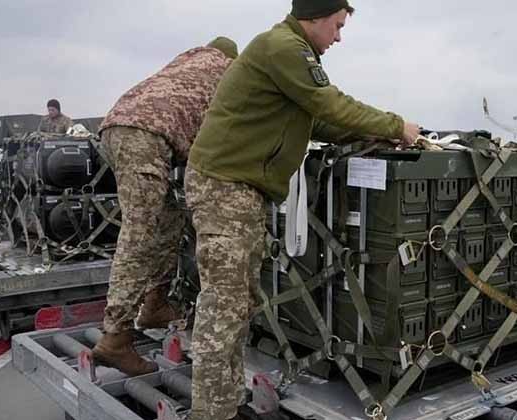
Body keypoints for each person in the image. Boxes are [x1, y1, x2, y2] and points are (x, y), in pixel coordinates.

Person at [185, 1, 421, 418]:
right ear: (315, 16)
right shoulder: (284, 47)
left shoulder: (290, 53)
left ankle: (223, 403)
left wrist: (381, 136)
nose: (339, 36)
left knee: (238, 306)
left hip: (240, 191)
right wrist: (393, 123)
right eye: (337, 25)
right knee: (223, 309)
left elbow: (320, 123)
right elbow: (329, 103)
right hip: (225, 188)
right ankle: (210, 412)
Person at [91, 37, 239, 376]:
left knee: (168, 219)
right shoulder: (227, 70)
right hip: (144, 135)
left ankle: (155, 303)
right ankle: (115, 338)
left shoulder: (187, 61)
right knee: (139, 235)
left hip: (118, 128)